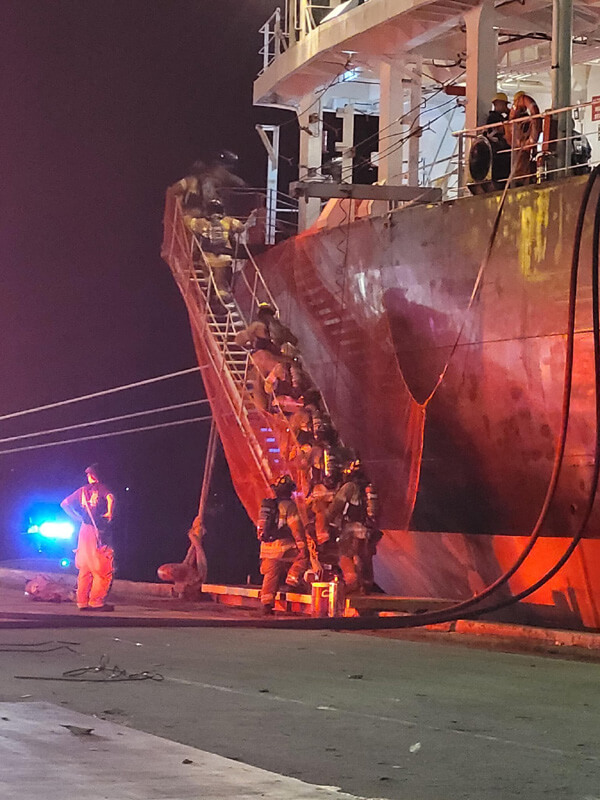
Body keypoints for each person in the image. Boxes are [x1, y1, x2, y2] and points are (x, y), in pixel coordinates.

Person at [60, 464, 116, 611]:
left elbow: (64, 503)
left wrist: (76, 517)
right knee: (102, 568)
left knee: (85, 567)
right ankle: (96, 602)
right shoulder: (102, 488)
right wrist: (110, 513)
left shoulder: (83, 491)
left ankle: (82, 602)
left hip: (83, 530)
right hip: (97, 530)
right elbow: (111, 497)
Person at [326, 457, 380, 594]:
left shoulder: (349, 487)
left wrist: (327, 521)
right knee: (364, 556)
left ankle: (352, 583)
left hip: (351, 528)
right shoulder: (370, 488)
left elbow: (336, 507)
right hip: (367, 529)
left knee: (344, 555)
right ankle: (367, 585)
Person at [257, 475, 309, 615]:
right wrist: (303, 547)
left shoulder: (267, 507)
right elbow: (296, 529)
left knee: (271, 575)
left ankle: (266, 604)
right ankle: (292, 583)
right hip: (284, 549)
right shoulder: (289, 506)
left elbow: (260, 531)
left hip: (266, 550)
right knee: (304, 557)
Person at [184, 199, 244, 304]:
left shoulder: (201, 222)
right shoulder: (228, 221)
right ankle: (221, 301)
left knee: (208, 275)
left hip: (208, 257)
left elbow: (188, 223)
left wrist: (187, 214)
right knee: (220, 283)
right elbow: (241, 227)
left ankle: (210, 290)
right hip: (224, 257)